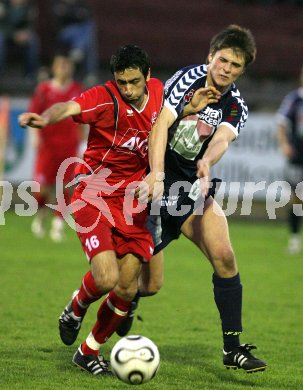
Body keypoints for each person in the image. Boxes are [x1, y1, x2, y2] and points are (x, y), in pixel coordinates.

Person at [122, 24, 267, 373]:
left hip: (190, 190)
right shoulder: (187, 80)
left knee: (225, 256)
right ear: (210, 56)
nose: (226, 68)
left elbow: (222, 139)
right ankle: (115, 305)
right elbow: (161, 125)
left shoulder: (237, 106)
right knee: (147, 285)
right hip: (153, 183)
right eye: (223, 60)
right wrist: (156, 174)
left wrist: (207, 160)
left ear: (243, 69)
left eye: (235, 64)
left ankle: (232, 348)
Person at [18, 45, 165, 376]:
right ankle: (76, 307)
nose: (127, 89)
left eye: (134, 82)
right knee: (107, 277)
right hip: (93, 195)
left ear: (148, 76)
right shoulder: (104, 97)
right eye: (121, 82)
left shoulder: (158, 92)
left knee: (128, 287)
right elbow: (68, 107)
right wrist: (45, 118)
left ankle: (88, 351)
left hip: (132, 203)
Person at [28, 53, 84, 242]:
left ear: (72, 68)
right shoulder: (44, 89)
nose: (63, 69)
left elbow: (83, 119)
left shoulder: (77, 90)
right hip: (47, 147)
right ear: (53, 68)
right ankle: (41, 213)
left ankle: (58, 226)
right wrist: (35, 135)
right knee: (41, 188)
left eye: (66, 65)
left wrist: (83, 143)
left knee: (65, 187)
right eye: (60, 65)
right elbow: (33, 114)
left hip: (68, 146)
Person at [276, 65, 303, 255]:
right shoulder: (295, 99)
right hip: (298, 157)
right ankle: (294, 239)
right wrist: (284, 144)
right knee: (297, 198)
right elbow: (281, 122)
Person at [52, 0, 99, 83]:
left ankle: (78, 49)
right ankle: (90, 74)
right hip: (64, 32)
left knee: (89, 28)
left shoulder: (81, 2)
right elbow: (60, 17)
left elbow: (87, 14)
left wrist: (70, 13)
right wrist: (75, 14)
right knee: (86, 32)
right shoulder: (57, 2)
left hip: (81, 32)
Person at [0, 0, 40, 80]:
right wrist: (13, 34)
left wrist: (26, 32)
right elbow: (2, 26)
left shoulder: (29, 7)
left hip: (22, 35)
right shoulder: (3, 6)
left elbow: (30, 25)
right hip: (6, 34)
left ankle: (30, 75)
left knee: (33, 40)